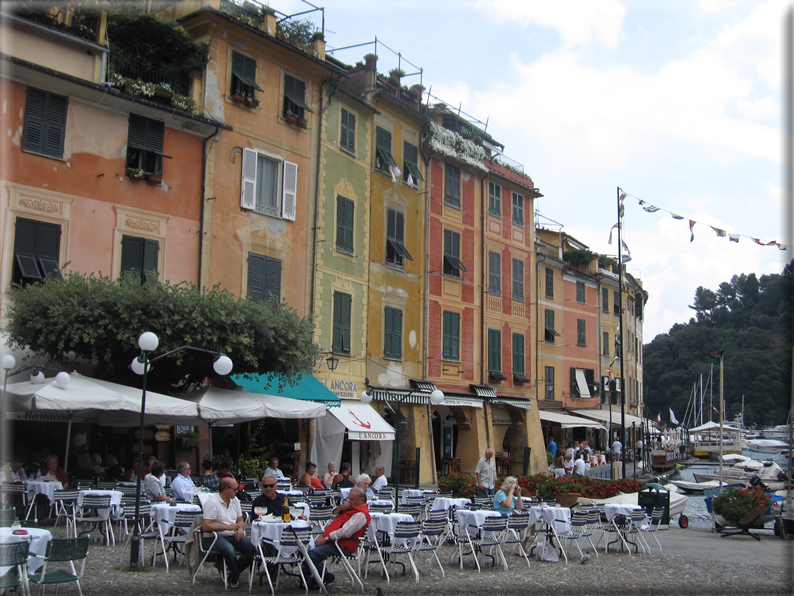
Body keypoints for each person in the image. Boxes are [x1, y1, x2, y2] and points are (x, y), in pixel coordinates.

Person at [304, 486, 370, 589]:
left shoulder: (361, 514)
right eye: (349, 498)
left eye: (352, 499)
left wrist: (326, 539)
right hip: (335, 541)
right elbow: (334, 516)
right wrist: (340, 508)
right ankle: (308, 576)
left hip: (342, 545)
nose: (349, 501)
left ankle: (324, 577)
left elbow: (346, 532)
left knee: (312, 555)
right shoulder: (351, 509)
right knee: (304, 548)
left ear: (361, 500)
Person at [202, 477, 257, 589]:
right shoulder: (212, 502)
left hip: (231, 535)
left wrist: (241, 529)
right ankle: (234, 577)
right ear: (226, 489)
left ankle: (232, 572)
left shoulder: (235, 500)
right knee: (229, 550)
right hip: (214, 537)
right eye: (235, 489)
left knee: (252, 549)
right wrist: (227, 527)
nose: (237, 491)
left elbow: (240, 520)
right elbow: (206, 526)